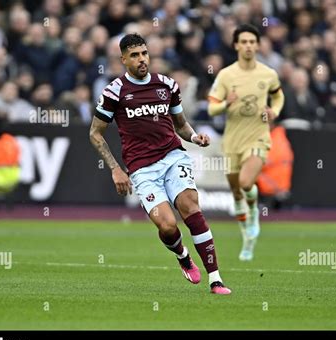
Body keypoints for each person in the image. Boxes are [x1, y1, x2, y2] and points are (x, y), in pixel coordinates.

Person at [89, 33, 231, 295]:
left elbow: (181, 125)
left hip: (173, 156)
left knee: (190, 207)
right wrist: (115, 169)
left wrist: (194, 137)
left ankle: (216, 279)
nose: (141, 59)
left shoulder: (167, 85)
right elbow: (95, 133)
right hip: (142, 168)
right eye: (134, 55)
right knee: (167, 226)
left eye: (144, 53)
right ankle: (182, 256)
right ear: (123, 60)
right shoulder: (114, 91)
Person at [207, 24, 285, 261]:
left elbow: (279, 96)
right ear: (236, 45)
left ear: (258, 45)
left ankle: (253, 210)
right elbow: (212, 108)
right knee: (237, 194)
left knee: (245, 181)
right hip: (232, 139)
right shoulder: (226, 75)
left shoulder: (268, 74)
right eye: (244, 42)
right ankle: (248, 239)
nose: (249, 45)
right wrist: (226, 103)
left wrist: (274, 111)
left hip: (258, 136)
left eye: (253, 41)